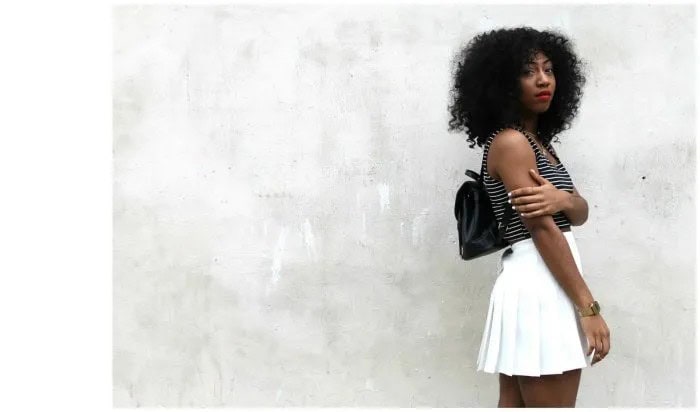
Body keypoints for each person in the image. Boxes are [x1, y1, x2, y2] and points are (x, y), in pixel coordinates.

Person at [447, 27, 611, 407]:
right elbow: (542, 230)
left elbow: (579, 211)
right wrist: (589, 308)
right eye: (528, 71)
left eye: (549, 69)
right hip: (540, 281)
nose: (543, 80)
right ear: (503, 83)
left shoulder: (539, 144)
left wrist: (563, 200)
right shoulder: (512, 143)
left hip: (543, 281)